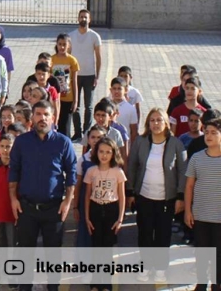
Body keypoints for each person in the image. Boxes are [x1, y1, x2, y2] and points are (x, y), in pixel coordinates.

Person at [9, 100, 77, 291]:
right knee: (25, 253)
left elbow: (71, 173)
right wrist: (13, 199)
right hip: (27, 208)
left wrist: (68, 201)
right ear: (33, 118)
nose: (42, 118)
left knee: (53, 254)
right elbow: (14, 171)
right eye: (38, 114)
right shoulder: (22, 142)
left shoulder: (63, 142)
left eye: (46, 114)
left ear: (53, 118)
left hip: (53, 208)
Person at [127, 107, 187, 284]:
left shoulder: (176, 143)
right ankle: (145, 266)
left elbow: (183, 171)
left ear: (166, 123)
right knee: (145, 233)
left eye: (159, 120)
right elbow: (132, 167)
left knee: (163, 234)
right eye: (152, 120)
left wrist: (180, 197)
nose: (155, 123)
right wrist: (130, 192)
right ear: (148, 123)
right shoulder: (140, 141)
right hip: (144, 196)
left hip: (166, 199)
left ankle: (161, 268)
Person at [84, 137, 126, 291]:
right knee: (96, 247)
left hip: (111, 210)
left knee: (107, 248)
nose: (104, 155)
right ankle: (95, 282)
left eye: (108, 152)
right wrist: (87, 218)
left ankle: (106, 282)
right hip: (95, 209)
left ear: (114, 153)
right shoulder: (91, 171)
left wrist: (120, 218)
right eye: (101, 151)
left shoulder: (118, 172)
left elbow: (122, 197)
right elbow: (87, 196)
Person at [184, 118, 221, 291]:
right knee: (202, 252)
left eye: (214, 132)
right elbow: (189, 186)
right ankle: (201, 282)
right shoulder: (197, 158)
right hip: (200, 215)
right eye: (206, 132)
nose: (209, 136)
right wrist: (188, 211)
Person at [70, 10, 102, 140]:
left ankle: (86, 132)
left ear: (90, 20)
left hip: (90, 75)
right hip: (75, 75)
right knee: (75, 105)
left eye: (86, 17)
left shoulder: (95, 36)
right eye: (81, 17)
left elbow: (99, 58)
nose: (83, 19)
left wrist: (97, 76)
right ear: (78, 19)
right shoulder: (71, 36)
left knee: (88, 106)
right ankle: (77, 132)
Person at [74, 125, 106, 248]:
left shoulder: (110, 159)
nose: (96, 140)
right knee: (86, 236)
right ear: (88, 139)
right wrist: (76, 206)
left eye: (99, 137)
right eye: (93, 137)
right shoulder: (83, 160)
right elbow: (78, 185)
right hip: (86, 203)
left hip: (104, 204)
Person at [51, 33, 80, 138]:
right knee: (55, 124)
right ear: (56, 44)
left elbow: (74, 81)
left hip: (68, 98)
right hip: (54, 99)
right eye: (60, 44)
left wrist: (75, 101)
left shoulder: (72, 60)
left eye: (64, 44)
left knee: (65, 127)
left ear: (69, 46)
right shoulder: (52, 60)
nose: (62, 47)